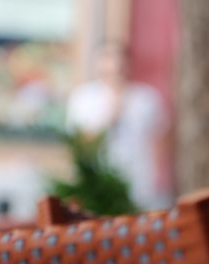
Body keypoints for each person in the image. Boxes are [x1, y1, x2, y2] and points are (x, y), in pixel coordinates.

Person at [67, 43, 169, 209]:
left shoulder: (146, 98)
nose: (115, 66)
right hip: (99, 185)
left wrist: (160, 180)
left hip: (140, 185)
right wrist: (108, 118)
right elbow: (79, 144)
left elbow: (160, 140)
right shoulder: (83, 98)